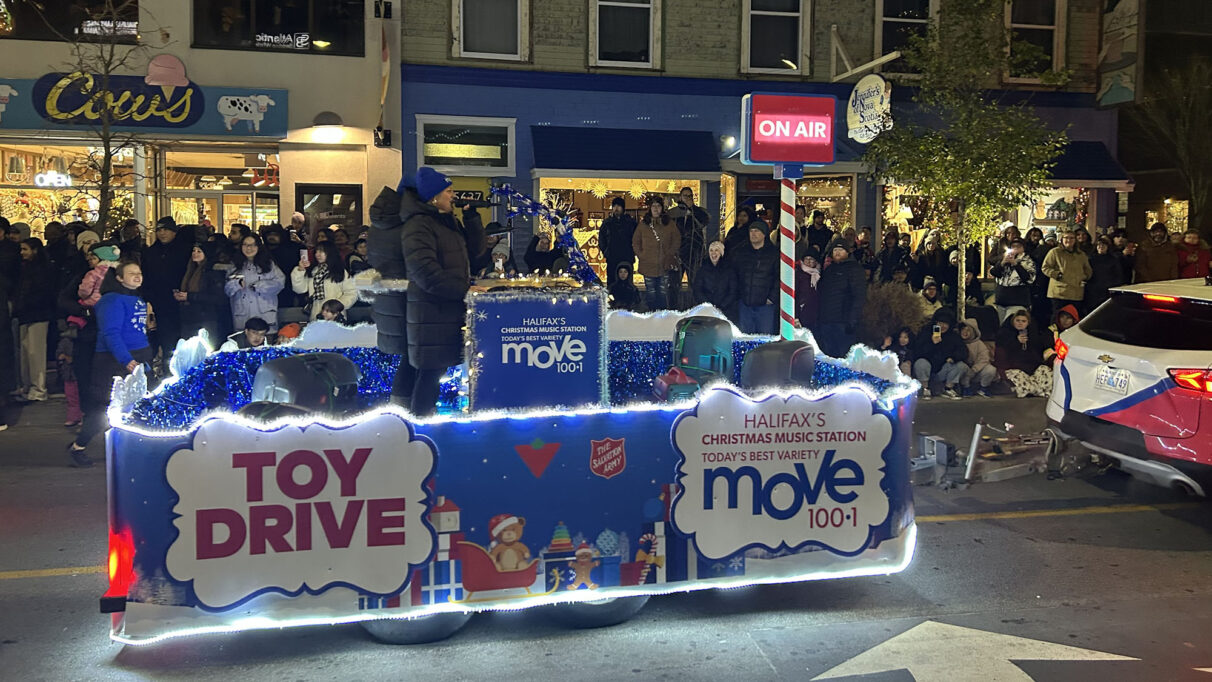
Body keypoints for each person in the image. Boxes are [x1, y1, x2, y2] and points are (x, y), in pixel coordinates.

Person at [400, 167, 486, 417]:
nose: (453, 195)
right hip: (431, 312)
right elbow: (425, 272)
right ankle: (420, 426)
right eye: (449, 191)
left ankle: (423, 420)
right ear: (434, 196)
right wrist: (463, 289)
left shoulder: (447, 222)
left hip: (446, 310)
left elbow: (476, 252)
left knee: (433, 372)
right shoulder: (418, 226)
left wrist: (471, 219)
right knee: (429, 374)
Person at [68, 261, 151, 467]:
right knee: (103, 408)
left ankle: (126, 448)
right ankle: (79, 446)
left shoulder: (136, 299)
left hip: (136, 357)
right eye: (131, 273)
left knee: (134, 407)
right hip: (113, 361)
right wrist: (127, 360)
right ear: (119, 278)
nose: (137, 276)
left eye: (139, 273)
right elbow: (110, 334)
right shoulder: (111, 300)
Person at [142, 216, 191, 363]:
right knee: (163, 340)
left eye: (166, 230)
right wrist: (148, 297)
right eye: (159, 230)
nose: (162, 233)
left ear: (174, 232)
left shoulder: (185, 251)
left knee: (180, 343)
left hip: (182, 304)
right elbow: (146, 276)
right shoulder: (151, 252)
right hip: (158, 303)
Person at [14, 238, 55, 402]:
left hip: (38, 313)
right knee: (26, 352)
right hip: (27, 313)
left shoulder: (41, 269)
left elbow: (43, 292)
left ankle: (38, 388)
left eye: (25, 249)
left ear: (35, 250)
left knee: (35, 352)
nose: (22, 253)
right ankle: (28, 386)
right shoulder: (27, 268)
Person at [816, 239, 867, 357]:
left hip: (843, 322)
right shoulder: (828, 270)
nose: (837, 252)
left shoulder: (855, 269)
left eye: (841, 250)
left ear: (847, 252)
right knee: (828, 356)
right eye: (835, 250)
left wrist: (852, 321)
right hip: (826, 321)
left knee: (843, 357)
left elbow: (859, 297)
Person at [225, 233, 286, 331]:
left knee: (266, 344)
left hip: (265, 315)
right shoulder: (234, 265)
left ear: (258, 246)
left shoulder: (269, 264)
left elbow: (280, 283)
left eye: (253, 245)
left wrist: (260, 286)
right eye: (245, 245)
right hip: (243, 317)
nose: (249, 248)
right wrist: (237, 284)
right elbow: (227, 290)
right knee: (244, 344)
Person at [632, 195, 681, 311]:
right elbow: (635, 241)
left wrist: (670, 253)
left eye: (658, 206)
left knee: (664, 294)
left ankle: (662, 318)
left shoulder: (669, 224)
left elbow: (677, 239)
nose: (655, 208)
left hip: (664, 265)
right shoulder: (643, 225)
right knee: (651, 294)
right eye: (653, 206)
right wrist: (641, 255)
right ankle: (652, 317)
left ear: (662, 208)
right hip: (648, 266)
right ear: (649, 208)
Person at [175, 242, 230, 345]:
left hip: (206, 318)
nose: (195, 253)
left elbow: (217, 297)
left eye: (199, 251)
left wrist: (189, 296)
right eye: (193, 251)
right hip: (189, 317)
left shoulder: (212, 271)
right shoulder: (190, 269)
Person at [731, 222, 778, 334]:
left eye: (757, 231)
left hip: (765, 306)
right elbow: (734, 275)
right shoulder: (741, 252)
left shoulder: (773, 254)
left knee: (764, 340)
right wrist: (738, 295)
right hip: (745, 304)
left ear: (764, 234)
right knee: (746, 339)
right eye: (751, 231)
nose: (753, 234)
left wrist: (772, 297)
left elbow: (778, 278)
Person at [995, 310, 1053, 398]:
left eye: (1023, 321)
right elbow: (1004, 353)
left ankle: (1037, 390)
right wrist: (1016, 341)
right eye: (1017, 320)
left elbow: (1037, 353)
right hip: (1014, 368)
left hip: (1032, 367)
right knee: (1019, 379)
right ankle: (1034, 390)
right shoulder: (1005, 334)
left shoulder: (1033, 334)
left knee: (1046, 372)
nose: (1020, 323)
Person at [912, 308, 967, 400]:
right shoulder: (926, 333)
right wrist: (932, 343)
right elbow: (917, 352)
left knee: (961, 365)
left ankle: (948, 388)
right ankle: (925, 389)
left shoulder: (953, 336)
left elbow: (963, 351)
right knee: (921, 362)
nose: (943, 326)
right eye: (940, 323)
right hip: (927, 370)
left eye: (946, 324)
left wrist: (953, 357)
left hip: (943, 370)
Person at [292, 241, 356, 319]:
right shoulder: (313, 270)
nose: (317, 254)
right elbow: (300, 289)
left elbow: (351, 292)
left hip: (334, 313)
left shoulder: (340, 271)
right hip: (316, 312)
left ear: (330, 253)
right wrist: (300, 270)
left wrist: (338, 305)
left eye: (322, 251)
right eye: (316, 251)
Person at [1041, 229, 1092, 318]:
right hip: (1059, 292)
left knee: (1074, 318)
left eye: (1072, 238)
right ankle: (1055, 333)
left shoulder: (1081, 254)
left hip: (1076, 293)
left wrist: (1083, 277)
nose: (1069, 240)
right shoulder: (1055, 252)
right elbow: (1045, 267)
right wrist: (1057, 275)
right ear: (1062, 239)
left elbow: (1088, 270)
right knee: (1057, 318)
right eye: (1066, 238)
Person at [673, 186, 710, 302]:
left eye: (690, 196)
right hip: (678, 253)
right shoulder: (674, 213)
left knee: (694, 283)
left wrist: (692, 209)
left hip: (694, 253)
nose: (688, 198)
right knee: (674, 284)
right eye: (685, 196)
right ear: (680, 197)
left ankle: (695, 307)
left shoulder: (698, 211)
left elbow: (705, 221)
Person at [989, 238, 1036, 321]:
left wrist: (1016, 264)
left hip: (1017, 301)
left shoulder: (1028, 261)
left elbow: (1029, 279)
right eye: (1013, 246)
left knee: (1012, 324)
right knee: (1002, 326)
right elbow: (994, 273)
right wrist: (1002, 263)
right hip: (1001, 300)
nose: (1016, 248)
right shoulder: (1005, 258)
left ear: (1023, 248)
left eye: (1018, 246)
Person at [691, 240, 738, 323]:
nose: (713, 253)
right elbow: (697, 290)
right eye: (711, 250)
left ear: (721, 252)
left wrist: (721, 307)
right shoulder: (703, 269)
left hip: (726, 312)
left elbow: (733, 291)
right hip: (707, 311)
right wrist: (709, 306)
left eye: (716, 250)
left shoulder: (729, 269)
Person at [599, 196, 637, 285]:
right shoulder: (607, 223)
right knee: (612, 283)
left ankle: (627, 299)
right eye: (614, 206)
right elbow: (601, 239)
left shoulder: (631, 223)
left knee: (627, 283)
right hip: (612, 257)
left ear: (623, 208)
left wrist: (633, 251)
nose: (616, 208)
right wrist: (606, 251)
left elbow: (636, 239)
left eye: (619, 206)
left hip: (627, 257)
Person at [1084, 237, 1126, 312]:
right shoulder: (1090, 259)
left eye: (1104, 245)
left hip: (1107, 291)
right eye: (1099, 245)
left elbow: (1118, 275)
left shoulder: (1113, 259)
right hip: (1092, 292)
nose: (1101, 247)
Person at [55, 318, 84, 426]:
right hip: (68, 374)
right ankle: (73, 417)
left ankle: (81, 416)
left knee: (81, 395)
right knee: (71, 397)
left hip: (78, 373)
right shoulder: (65, 341)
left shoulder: (82, 342)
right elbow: (58, 354)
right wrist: (63, 357)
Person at [959, 318, 996, 397]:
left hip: (976, 372)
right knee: (962, 367)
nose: (965, 332)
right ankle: (965, 388)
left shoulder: (979, 344)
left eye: (968, 330)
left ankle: (984, 388)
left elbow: (984, 359)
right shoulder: (957, 342)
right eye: (963, 329)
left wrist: (974, 369)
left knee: (991, 370)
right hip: (963, 372)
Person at [793, 244, 821, 333]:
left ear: (815, 262)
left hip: (814, 314)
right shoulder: (798, 274)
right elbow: (795, 295)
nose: (808, 262)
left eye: (811, 259)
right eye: (806, 259)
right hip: (801, 312)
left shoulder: (818, 275)